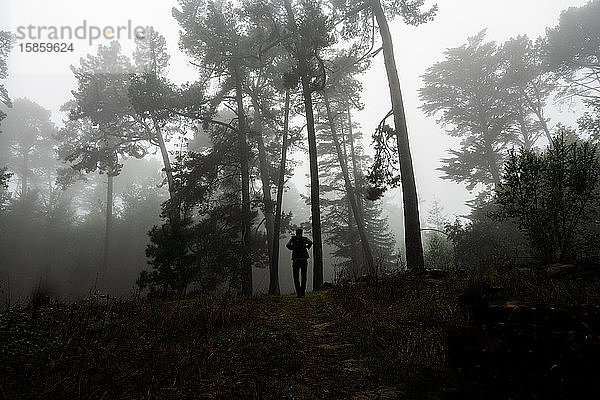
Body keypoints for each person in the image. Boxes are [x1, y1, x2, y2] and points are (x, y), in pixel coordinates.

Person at [286, 228, 312, 298]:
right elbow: (310, 242)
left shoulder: (293, 239)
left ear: (296, 233)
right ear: (302, 233)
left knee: (296, 277)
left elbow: (287, 245)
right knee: (304, 276)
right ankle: (303, 293)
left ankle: (298, 293)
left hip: (296, 260)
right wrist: (306, 247)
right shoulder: (305, 239)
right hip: (304, 259)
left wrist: (293, 248)